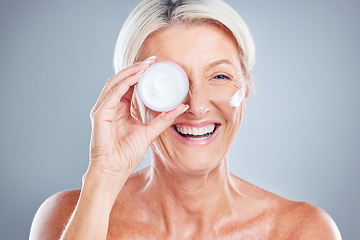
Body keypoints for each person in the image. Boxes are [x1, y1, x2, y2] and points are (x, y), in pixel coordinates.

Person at [30, 0, 342, 239]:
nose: (196, 105)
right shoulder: (69, 217)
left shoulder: (300, 230)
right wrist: (103, 177)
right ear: (132, 96)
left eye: (219, 76)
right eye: (169, 81)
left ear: (244, 92)